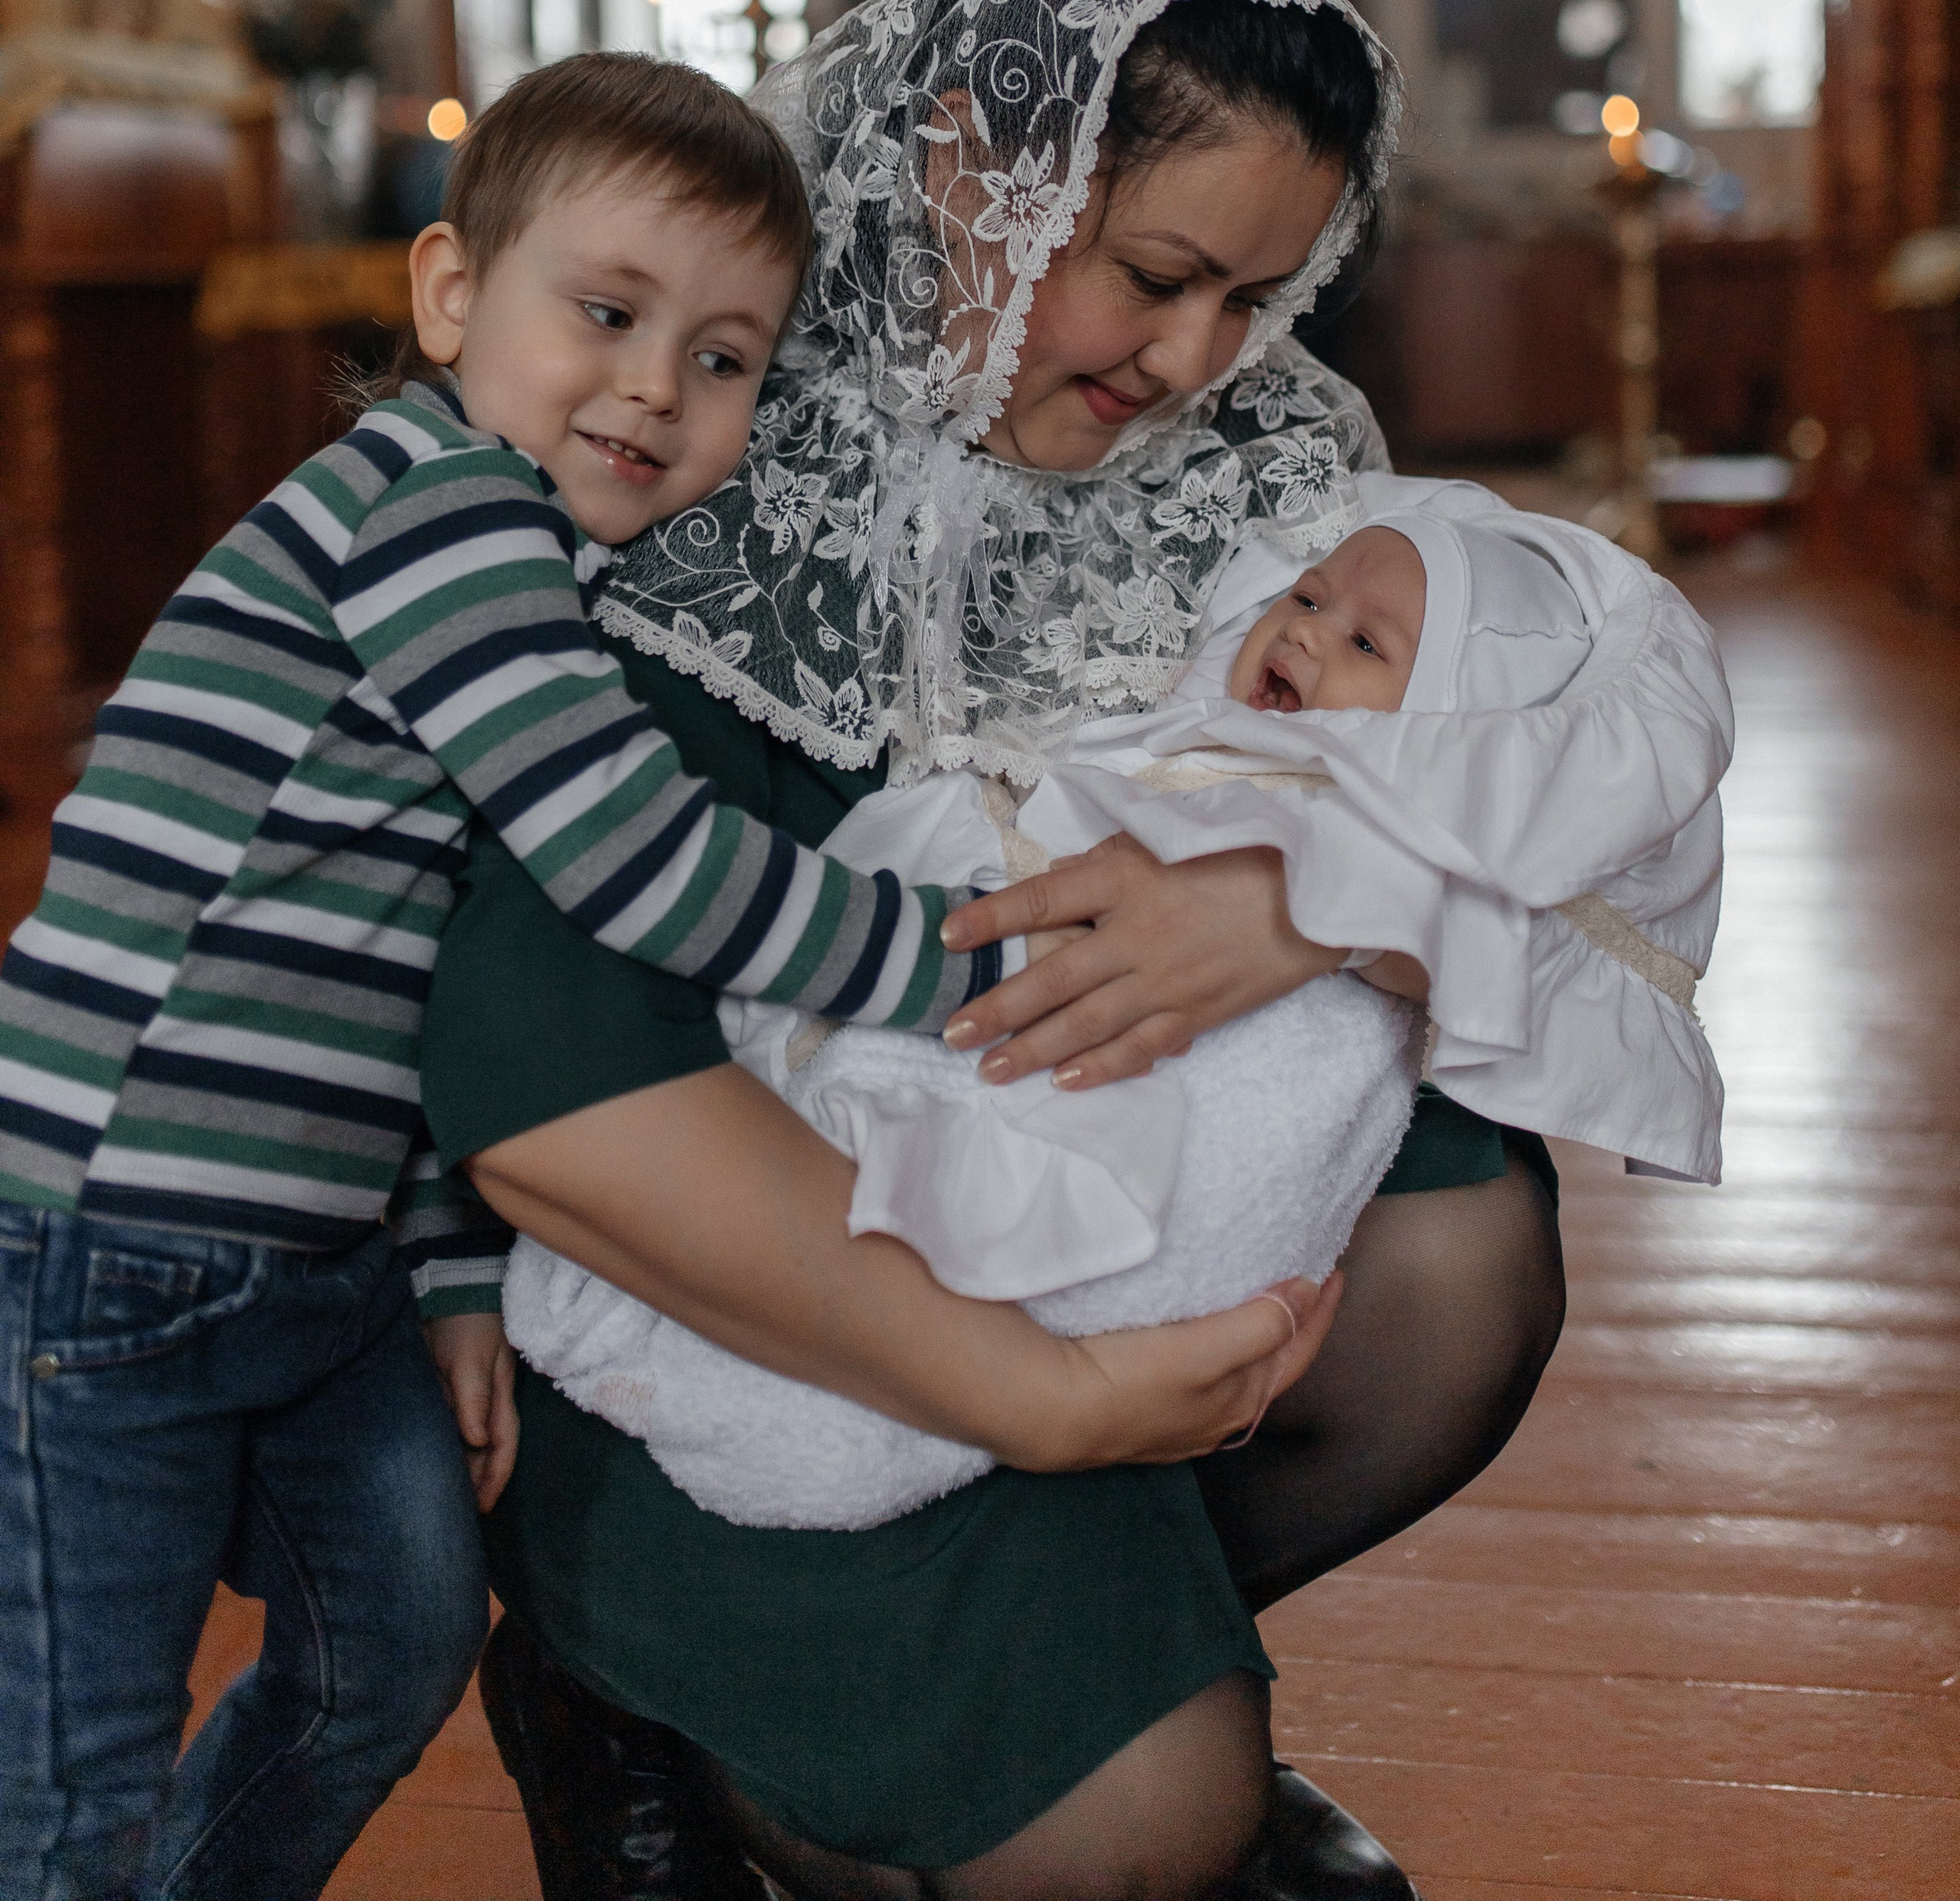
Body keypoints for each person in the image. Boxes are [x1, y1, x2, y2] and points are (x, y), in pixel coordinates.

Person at [418, 0, 1728, 1901]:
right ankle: (684, 1687)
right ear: (970, 161)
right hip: (729, 1262)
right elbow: (544, 1082)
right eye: (1155, 269)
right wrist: (1027, 1395)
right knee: (1149, 1829)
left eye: (1259, 295)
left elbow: (1610, 797)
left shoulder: (1268, 462)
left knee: (1463, 1260)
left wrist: (1293, 907)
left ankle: (1068, 1676)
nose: (1200, 354)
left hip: (1084, 1210)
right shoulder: (696, 426)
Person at [0, 53, 1120, 1901]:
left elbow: (419, 954)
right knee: (67, 1793)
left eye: (722, 357)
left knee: (392, 1649)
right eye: (605, 313)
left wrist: (447, 1265)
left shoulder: (526, 558)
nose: (651, 388)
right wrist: (950, 960)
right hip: (103, 1241)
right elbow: (628, 858)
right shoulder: (431, 512)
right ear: (450, 296)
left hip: (312, 1260)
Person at [501, 495, 1725, 1532]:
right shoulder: (1187, 732)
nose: (1304, 631)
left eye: (1367, 642)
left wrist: (1321, 905)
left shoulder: (1389, 835)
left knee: (1079, 1197)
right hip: (991, 1000)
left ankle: (880, 1411)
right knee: (875, 1120)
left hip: (1171, 1082)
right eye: (1305, 598)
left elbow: (1474, 938)